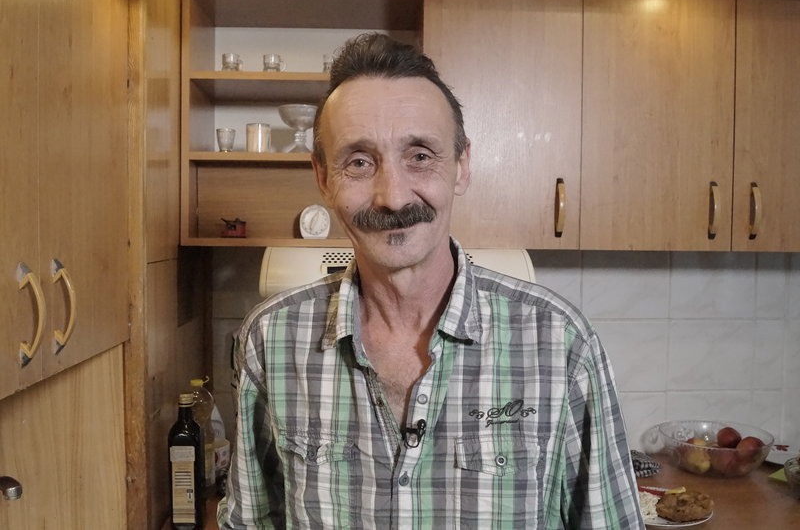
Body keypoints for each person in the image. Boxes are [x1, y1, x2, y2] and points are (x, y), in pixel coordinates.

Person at [218, 33, 644, 529]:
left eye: (420, 155)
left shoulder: (560, 343)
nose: (394, 197)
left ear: (461, 167)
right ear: (323, 178)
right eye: (359, 161)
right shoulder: (270, 340)